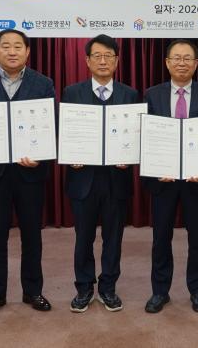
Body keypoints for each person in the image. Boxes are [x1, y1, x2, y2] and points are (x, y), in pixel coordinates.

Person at [0, 29, 55, 317]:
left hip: (30, 174)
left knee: (32, 235)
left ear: (27, 51)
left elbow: (50, 126)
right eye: (6, 46)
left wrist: (41, 157)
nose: (12, 51)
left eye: (18, 46)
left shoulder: (43, 83)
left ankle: (33, 290)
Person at [63, 34, 139, 313]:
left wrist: (131, 157)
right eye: (97, 56)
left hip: (116, 179)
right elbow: (65, 132)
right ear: (87, 60)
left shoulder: (130, 95)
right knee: (83, 237)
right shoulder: (72, 93)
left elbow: (136, 135)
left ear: (117, 61)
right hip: (83, 179)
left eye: (109, 56)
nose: (103, 61)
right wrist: (70, 155)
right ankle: (84, 287)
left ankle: (108, 287)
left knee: (113, 238)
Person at [142, 39, 198, 313]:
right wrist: (155, 168)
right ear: (167, 63)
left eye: (187, 58)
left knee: (197, 238)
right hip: (163, 180)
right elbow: (147, 137)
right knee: (160, 237)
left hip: (196, 180)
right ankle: (159, 291)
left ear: (196, 64)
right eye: (176, 58)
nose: (182, 63)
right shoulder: (152, 94)